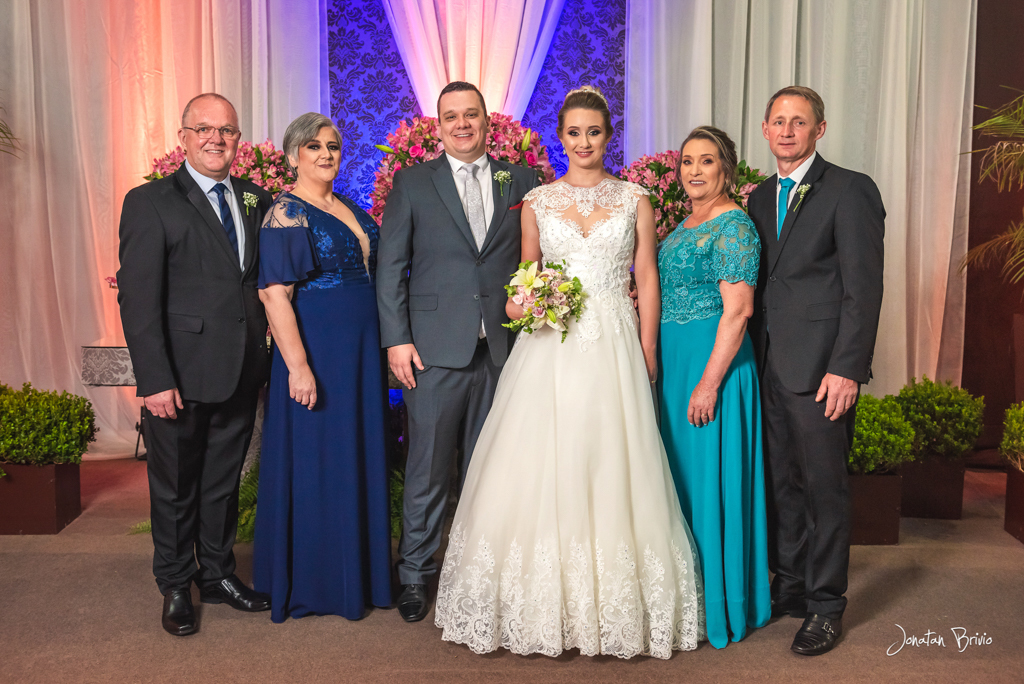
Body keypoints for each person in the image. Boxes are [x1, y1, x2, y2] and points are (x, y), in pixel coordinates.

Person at [433, 86, 704, 659]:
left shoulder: (635, 199)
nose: (584, 142)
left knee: (611, 457)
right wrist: (523, 304)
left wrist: (649, 348)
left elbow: (647, 277)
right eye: (574, 133)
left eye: (594, 132)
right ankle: (542, 606)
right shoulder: (537, 202)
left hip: (614, 344)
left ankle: (613, 608)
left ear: (608, 136)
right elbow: (525, 277)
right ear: (561, 137)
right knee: (545, 459)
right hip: (550, 347)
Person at [376, 82, 540, 623]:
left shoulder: (522, 180)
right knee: (426, 471)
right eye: (452, 116)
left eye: (471, 114)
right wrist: (397, 340)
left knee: (491, 471)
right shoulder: (412, 182)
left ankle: (477, 574)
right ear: (439, 126)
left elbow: (536, 261)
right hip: (432, 351)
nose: (462, 124)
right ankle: (415, 573)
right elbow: (390, 267)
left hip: (503, 351)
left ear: (488, 121)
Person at [117, 93, 273, 636]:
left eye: (226, 130)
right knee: (175, 488)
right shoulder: (150, 201)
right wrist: (155, 379)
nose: (216, 138)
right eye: (204, 128)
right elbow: (138, 299)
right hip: (178, 378)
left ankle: (218, 573)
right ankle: (176, 584)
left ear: (238, 140)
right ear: (183, 137)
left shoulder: (255, 198)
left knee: (222, 484)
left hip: (240, 370)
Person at [747, 86, 885, 656]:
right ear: (765, 128)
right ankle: (792, 586)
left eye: (798, 122)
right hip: (769, 366)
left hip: (824, 371)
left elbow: (863, 290)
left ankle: (827, 605)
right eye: (778, 121)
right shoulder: (758, 197)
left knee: (825, 490)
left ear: (819, 130)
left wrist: (847, 369)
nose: (786, 131)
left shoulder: (850, 189)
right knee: (781, 484)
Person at [252, 112, 392, 622]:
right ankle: (320, 583)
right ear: (294, 156)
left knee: (353, 452)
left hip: (358, 351)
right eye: (313, 146)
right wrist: (298, 367)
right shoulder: (285, 212)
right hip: (318, 350)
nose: (326, 154)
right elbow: (274, 295)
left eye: (332, 145)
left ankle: (359, 575)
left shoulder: (344, 204)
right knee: (319, 459)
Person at [657, 126, 771, 649]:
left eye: (707, 161)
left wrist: (708, 384)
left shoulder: (734, 226)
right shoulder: (685, 223)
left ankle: (721, 603)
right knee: (679, 482)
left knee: (709, 483)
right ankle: (687, 599)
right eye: (687, 161)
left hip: (713, 368)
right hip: (677, 364)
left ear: (726, 167)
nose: (695, 170)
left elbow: (739, 311)